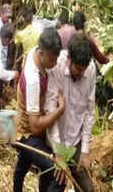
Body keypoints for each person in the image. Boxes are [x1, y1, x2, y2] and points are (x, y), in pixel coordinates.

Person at [13, 28, 65, 192]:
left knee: (23, 165)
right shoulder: (33, 79)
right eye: (52, 59)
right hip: (28, 134)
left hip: (27, 127)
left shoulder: (33, 52)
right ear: (41, 53)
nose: (55, 63)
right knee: (56, 172)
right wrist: (59, 110)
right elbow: (35, 125)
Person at [45, 33, 96, 192]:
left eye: (84, 69)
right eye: (78, 69)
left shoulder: (91, 69)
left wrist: (85, 150)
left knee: (86, 188)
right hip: (56, 141)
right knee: (53, 185)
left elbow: (89, 109)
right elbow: (50, 109)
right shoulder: (57, 66)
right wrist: (58, 152)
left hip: (76, 141)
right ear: (69, 59)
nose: (82, 74)